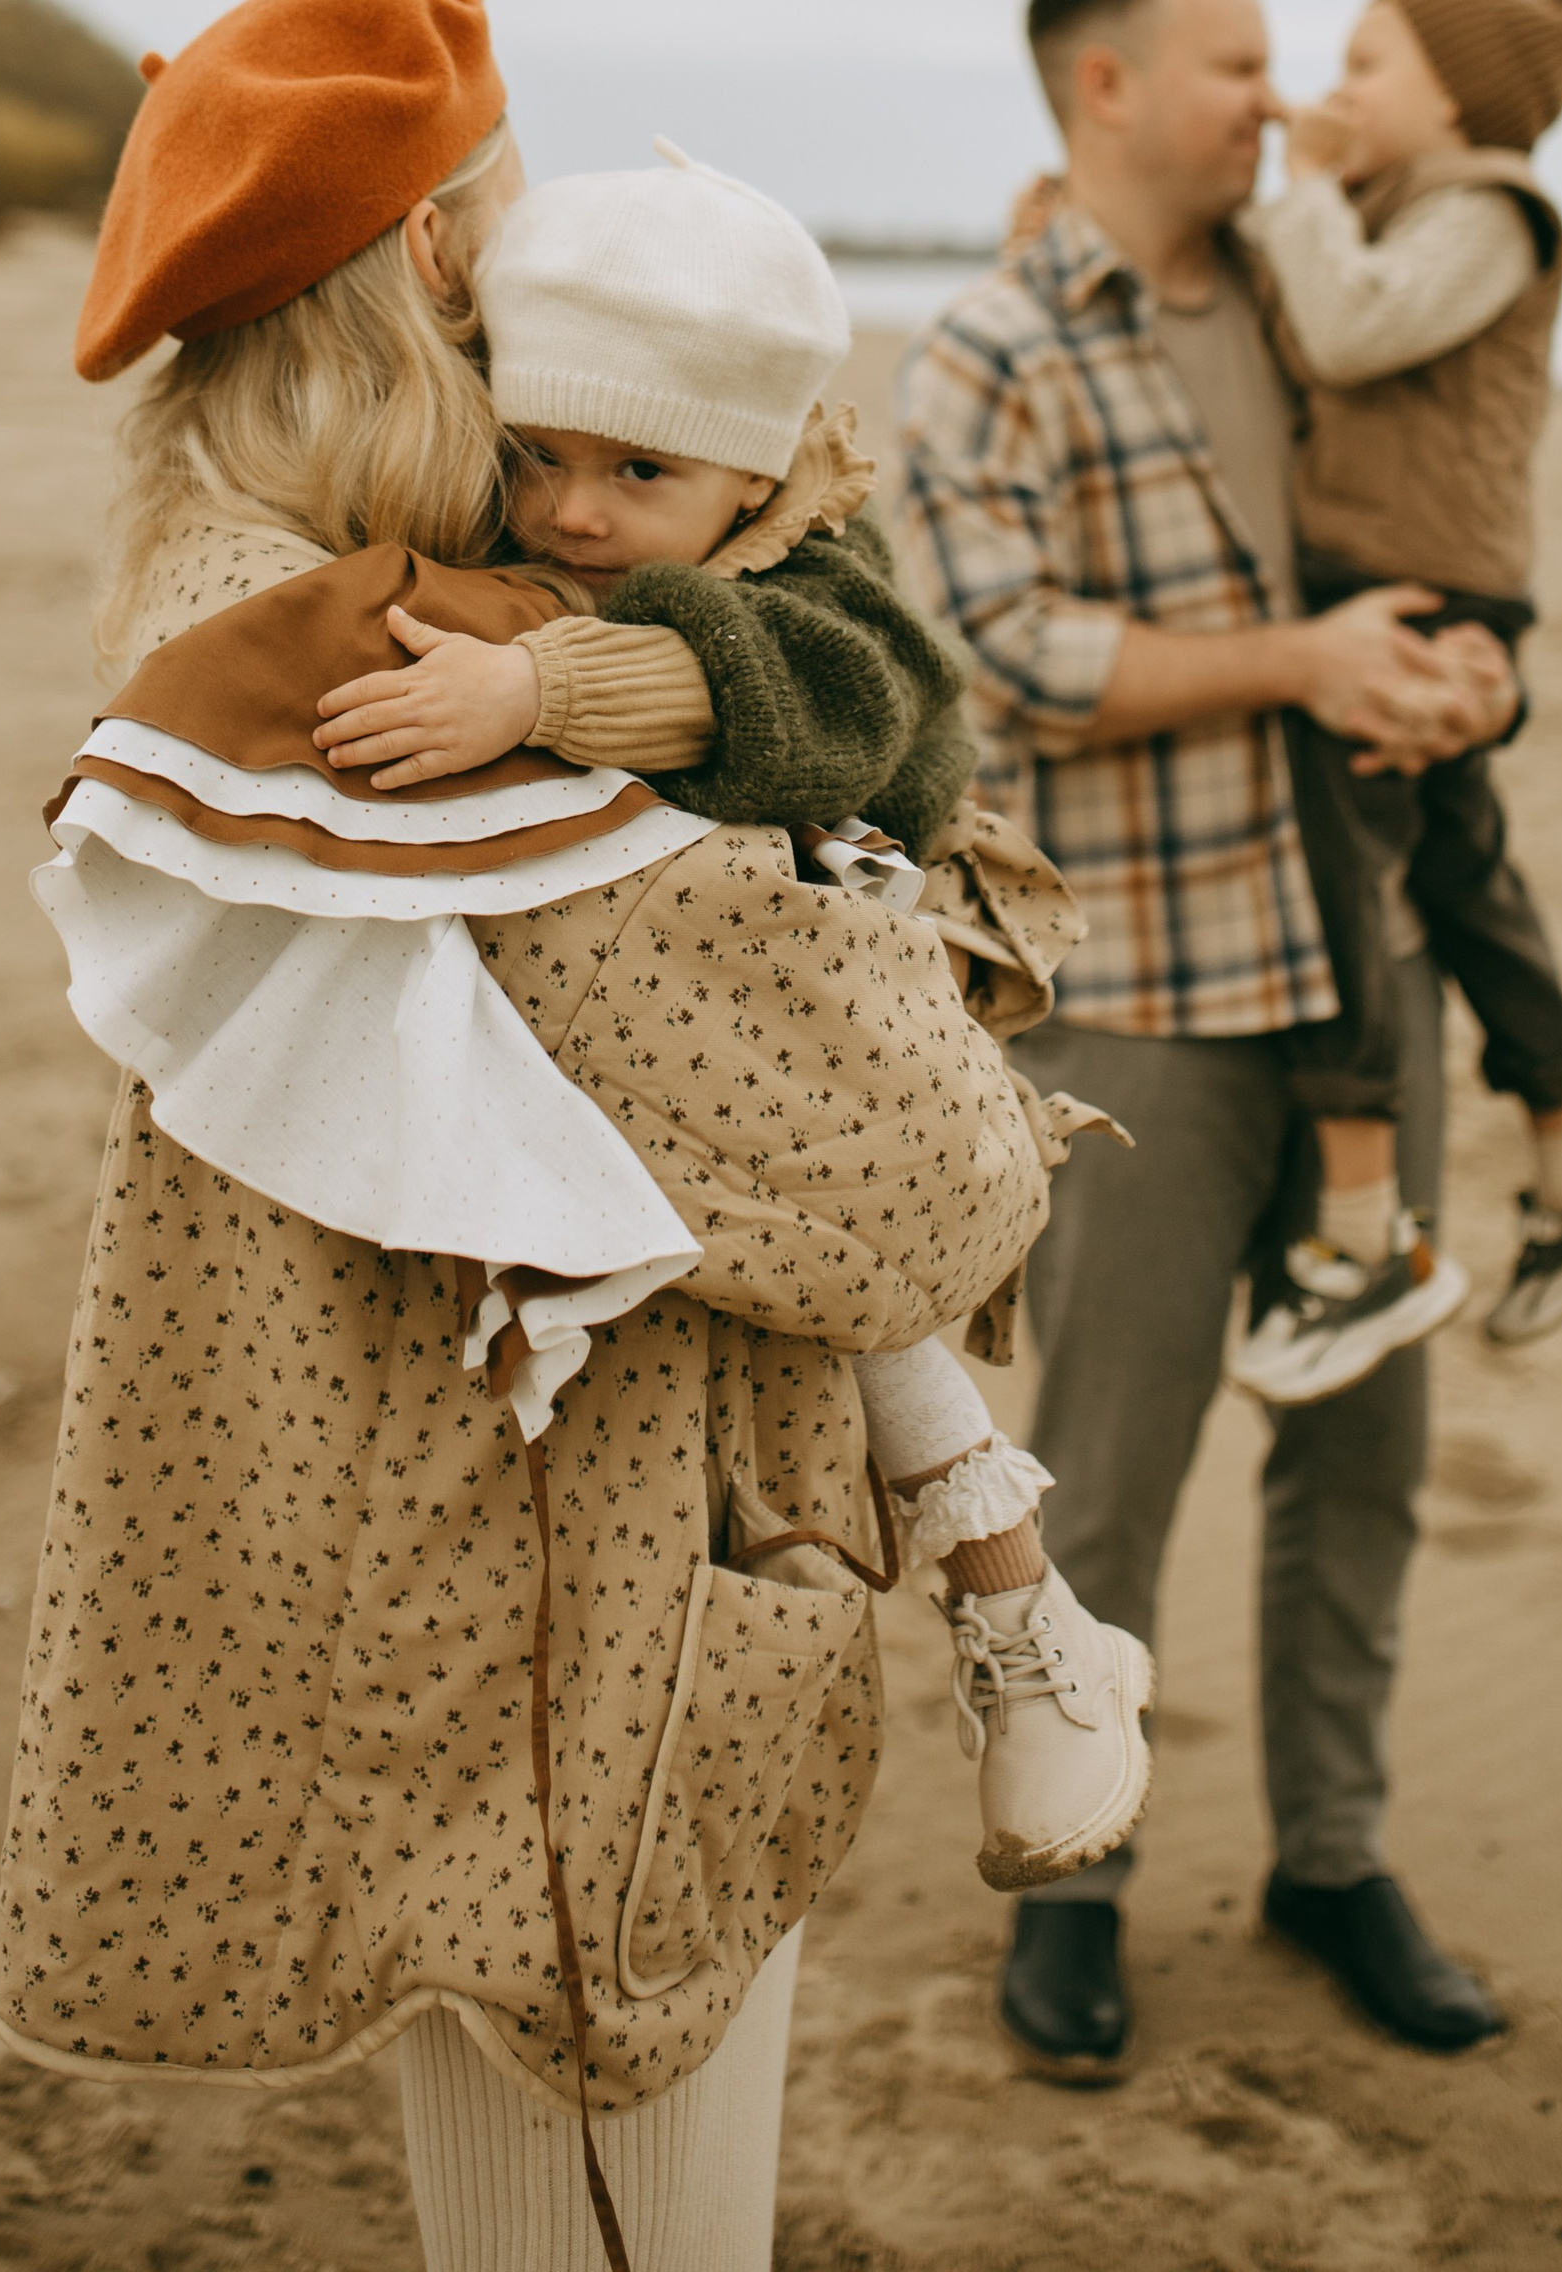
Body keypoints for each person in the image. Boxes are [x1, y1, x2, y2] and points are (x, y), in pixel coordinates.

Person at [0, 0, 1060, 2272]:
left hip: (476, 1600)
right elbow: (922, 1185)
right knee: (609, 2219)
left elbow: (865, 689)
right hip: (561, 1636)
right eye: (493, 228)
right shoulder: (371, 669)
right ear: (431, 267)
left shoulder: (269, 582)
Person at [304, 140, 1153, 1896]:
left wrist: (541, 682)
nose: (575, 513)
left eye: (639, 470)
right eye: (536, 456)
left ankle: (1021, 1612)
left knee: (863, 1292)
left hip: (831, 1002)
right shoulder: (542, 525)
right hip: (651, 1036)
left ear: (754, 467)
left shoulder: (821, 573)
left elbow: (824, 699)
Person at [898, 0, 1521, 2083]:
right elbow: (999, 660)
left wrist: (1469, 668)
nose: (1270, 101)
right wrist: (1296, 670)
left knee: (1365, 1455)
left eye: (1277, 61)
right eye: (1233, 64)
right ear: (1101, 90)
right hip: (1140, 1003)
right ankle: (1069, 1892)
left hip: (1368, 984)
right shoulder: (985, 345)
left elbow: (1431, 531)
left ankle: (1332, 1857)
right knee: (1107, 1472)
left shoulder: (1316, 300)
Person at [1232, 0, 1562, 1402]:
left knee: (1338, 888)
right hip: (1411, 588)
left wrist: (1299, 185)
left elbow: (1356, 331)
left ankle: (1365, 1238)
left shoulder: (1490, 209)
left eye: (1370, 63)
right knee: (1470, 879)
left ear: (1461, 99)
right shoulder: (1408, 207)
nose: (1337, 87)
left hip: (1418, 604)